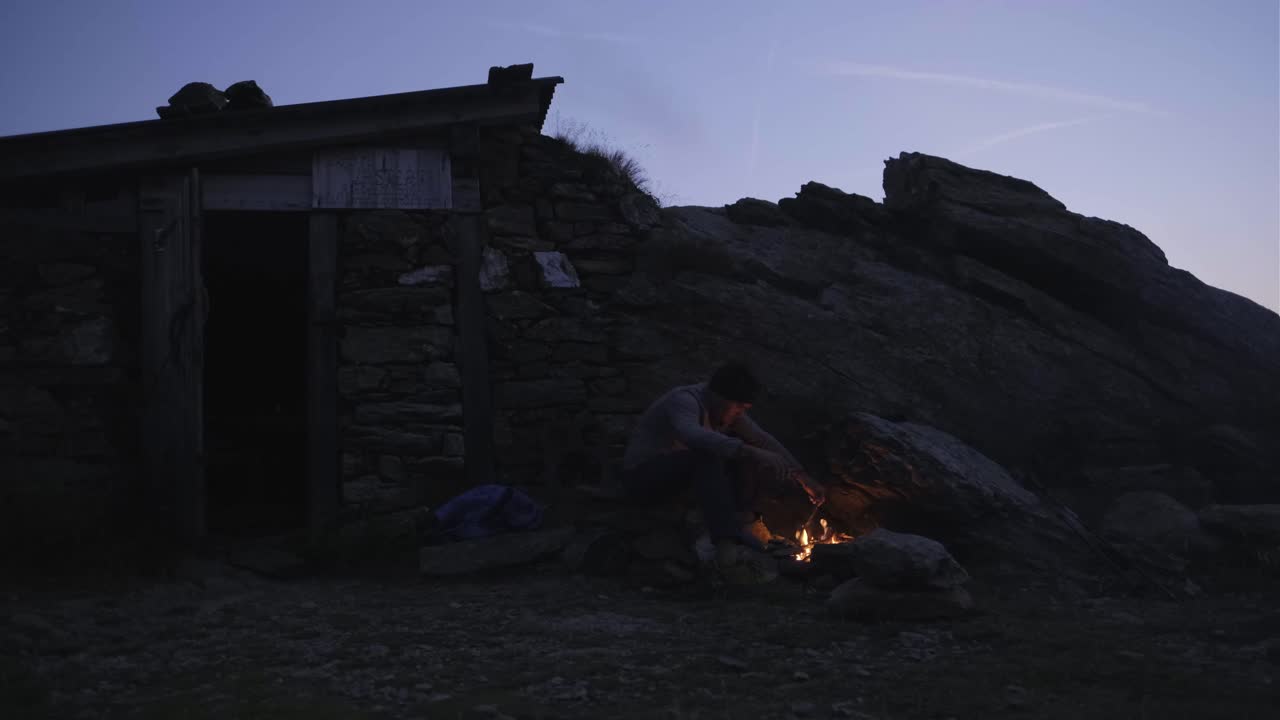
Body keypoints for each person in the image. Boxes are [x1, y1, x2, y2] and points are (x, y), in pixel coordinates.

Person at [620, 362, 825, 577]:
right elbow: (693, 434)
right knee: (711, 455)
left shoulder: (726, 411)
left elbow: (763, 440)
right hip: (643, 478)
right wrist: (750, 451)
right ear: (719, 397)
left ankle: (744, 523)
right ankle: (725, 545)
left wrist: (802, 476)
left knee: (744, 454)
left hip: (679, 477)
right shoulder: (683, 401)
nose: (739, 413)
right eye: (738, 407)